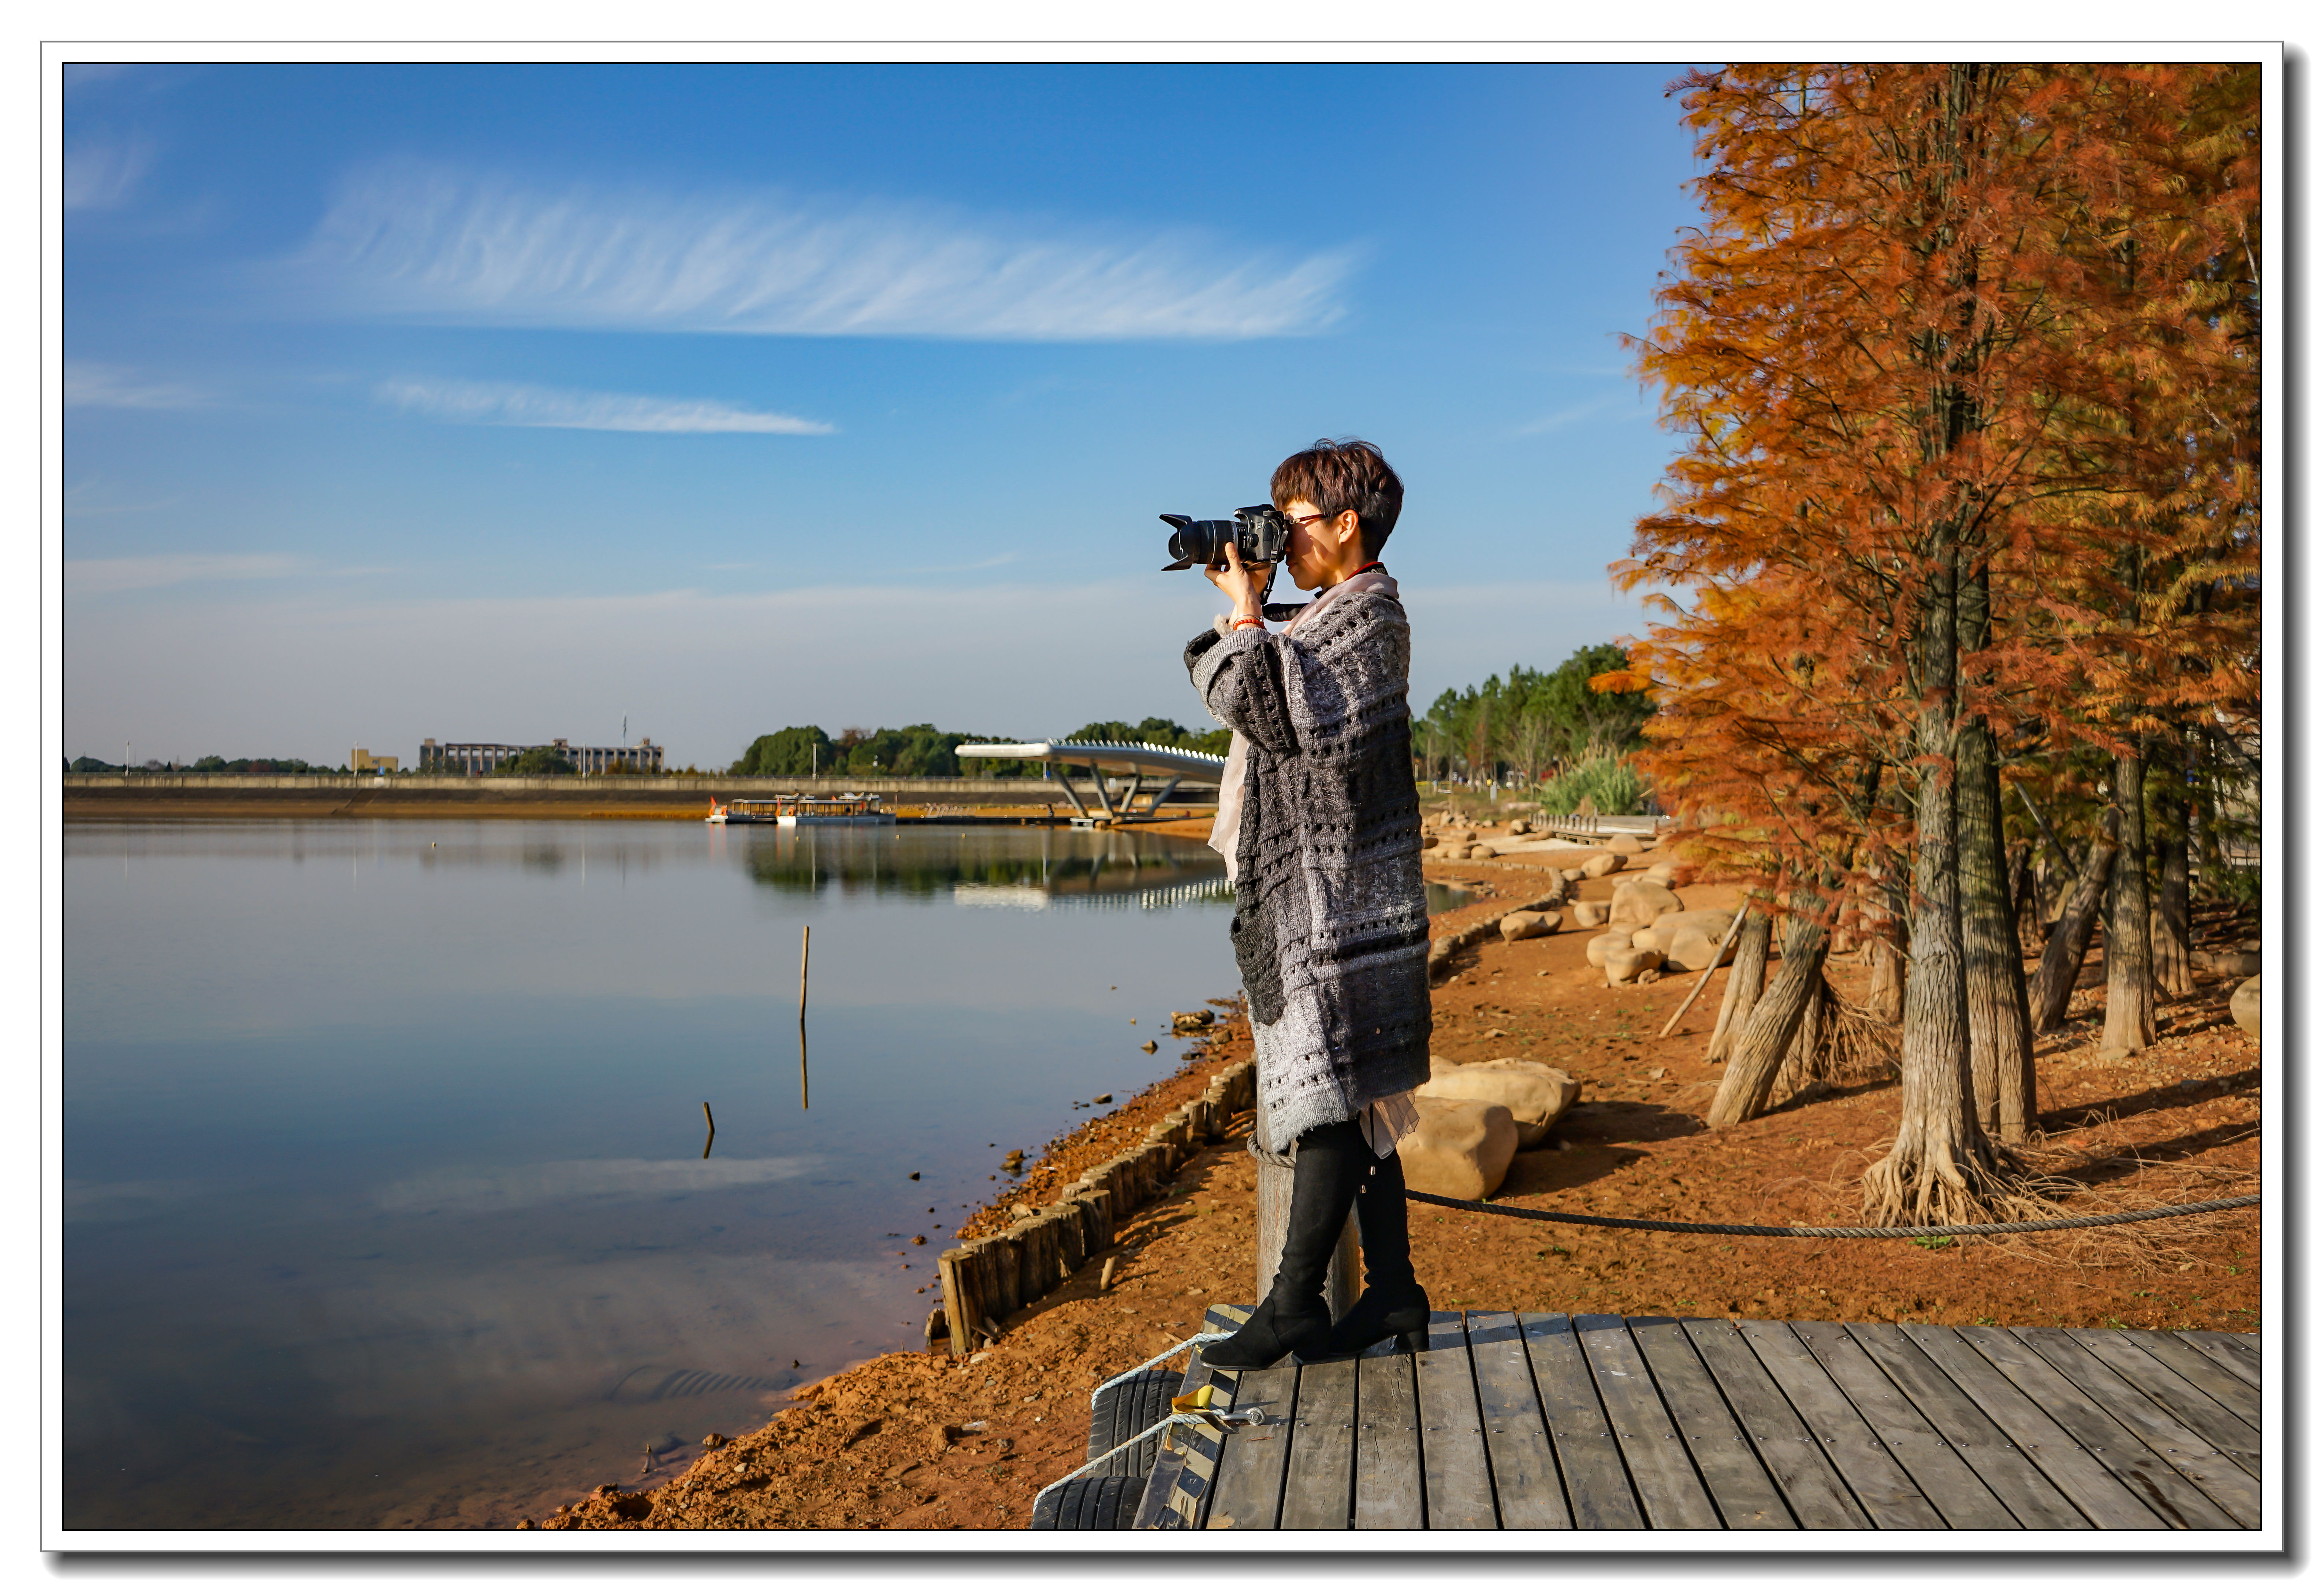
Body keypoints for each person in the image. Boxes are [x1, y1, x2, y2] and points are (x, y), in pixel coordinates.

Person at [1183, 438, 1432, 1369]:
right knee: (1359, 1092)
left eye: (1291, 524)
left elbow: (1280, 715)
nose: (1280, 540)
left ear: (1346, 526)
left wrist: (1247, 613)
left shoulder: (1369, 622)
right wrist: (1245, 594)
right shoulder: (1331, 612)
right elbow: (1263, 677)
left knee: (1329, 1093)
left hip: (1338, 897)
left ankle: (1293, 1307)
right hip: (1339, 891)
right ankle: (1397, 1293)